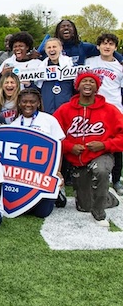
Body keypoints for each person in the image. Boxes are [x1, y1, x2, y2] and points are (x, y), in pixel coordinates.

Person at [53, 72, 123, 226]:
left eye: (92, 81)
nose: (88, 84)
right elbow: (52, 137)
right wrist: (70, 147)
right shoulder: (65, 110)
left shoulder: (110, 110)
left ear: (97, 87)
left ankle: (99, 214)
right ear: (77, 85)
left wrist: (104, 145)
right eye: (84, 81)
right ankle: (106, 197)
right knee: (84, 206)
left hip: (101, 155)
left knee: (101, 170)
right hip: (77, 162)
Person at [10, 87, 67, 216]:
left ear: (38, 103)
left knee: (42, 213)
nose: (28, 105)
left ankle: (57, 193)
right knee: (24, 210)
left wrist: (57, 172)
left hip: (45, 172)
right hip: (25, 174)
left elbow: (59, 149)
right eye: (24, 101)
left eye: (32, 102)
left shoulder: (49, 120)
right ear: (19, 103)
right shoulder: (15, 124)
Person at [86, 33, 123, 195]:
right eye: (104, 43)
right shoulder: (89, 62)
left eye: (111, 44)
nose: (107, 47)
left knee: (117, 145)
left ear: (115, 47)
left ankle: (116, 180)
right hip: (93, 109)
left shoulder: (120, 67)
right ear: (98, 46)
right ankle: (92, 175)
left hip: (114, 109)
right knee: (92, 142)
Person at [35, 38, 74, 114]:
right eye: (49, 47)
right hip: (47, 110)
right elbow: (36, 88)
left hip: (66, 110)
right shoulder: (40, 68)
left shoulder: (71, 66)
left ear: (61, 48)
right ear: (45, 50)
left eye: (54, 47)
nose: (51, 49)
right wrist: (28, 84)